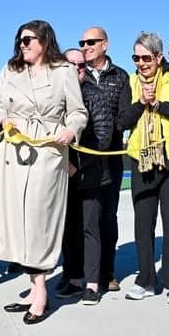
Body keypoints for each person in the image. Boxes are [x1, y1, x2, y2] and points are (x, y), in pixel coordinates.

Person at [0, 20, 88, 325]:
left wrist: (71, 131)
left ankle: (41, 291)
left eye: (28, 39)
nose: (23, 45)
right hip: (14, 154)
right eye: (20, 40)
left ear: (44, 41)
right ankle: (34, 287)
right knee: (17, 221)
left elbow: (77, 111)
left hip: (47, 154)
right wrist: (3, 119)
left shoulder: (63, 72)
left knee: (38, 221)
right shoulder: (10, 70)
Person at [119, 32, 169, 305]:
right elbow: (122, 121)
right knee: (143, 225)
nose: (141, 63)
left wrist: (158, 105)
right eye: (136, 58)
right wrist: (141, 103)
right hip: (142, 162)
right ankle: (146, 280)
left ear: (159, 57)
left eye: (146, 57)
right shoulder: (130, 82)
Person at [78, 26, 132, 292]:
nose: (86, 46)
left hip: (110, 159)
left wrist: (108, 129)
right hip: (81, 161)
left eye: (91, 42)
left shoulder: (120, 76)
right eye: (82, 42)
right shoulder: (76, 74)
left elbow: (126, 113)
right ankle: (80, 273)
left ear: (105, 44)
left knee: (108, 218)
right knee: (84, 219)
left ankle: (107, 272)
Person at [57, 49, 113, 306]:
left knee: (90, 229)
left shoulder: (95, 95)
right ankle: (73, 278)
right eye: (71, 65)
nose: (78, 69)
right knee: (68, 230)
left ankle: (92, 283)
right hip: (61, 175)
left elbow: (103, 136)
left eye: (81, 65)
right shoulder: (56, 95)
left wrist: (79, 165)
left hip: (91, 175)